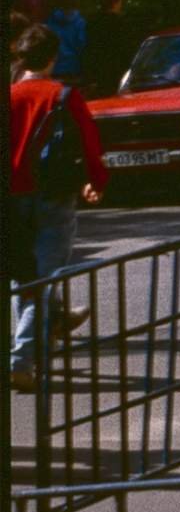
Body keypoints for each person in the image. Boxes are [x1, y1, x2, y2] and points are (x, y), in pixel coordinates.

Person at [9, 25, 105, 390]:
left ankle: (35, 356)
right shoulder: (63, 96)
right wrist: (95, 181)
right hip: (53, 193)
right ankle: (21, 358)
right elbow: (88, 139)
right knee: (47, 277)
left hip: (13, 197)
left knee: (24, 279)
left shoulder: (10, 95)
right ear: (52, 57)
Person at [41, 0, 86, 84]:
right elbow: (82, 46)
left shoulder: (49, 21)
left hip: (54, 68)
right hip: (74, 68)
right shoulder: (80, 22)